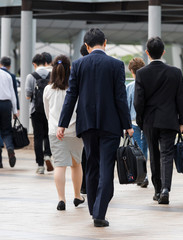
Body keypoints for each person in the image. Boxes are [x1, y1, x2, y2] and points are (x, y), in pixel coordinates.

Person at [57, 28, 133, 227]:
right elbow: (120, 97)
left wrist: (62, 124)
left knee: (91, 164)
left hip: (87, 124)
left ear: (86, 46)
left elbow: (71, 96)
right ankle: (99, 212)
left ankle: (93, 209)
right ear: (105, 42)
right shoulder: (116, 65)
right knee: (107, 166)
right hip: (111, 125)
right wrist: (127, 124)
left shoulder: (78, 64)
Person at [134, 37, 183, 204]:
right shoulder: (175, 72)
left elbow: (138, 101)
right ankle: (165, 188)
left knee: (153, 154)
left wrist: (140, 120)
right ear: (164, 52)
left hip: (149, 120)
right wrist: (181, 121)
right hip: (169, 119)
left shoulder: (142, 73)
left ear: (147, 53)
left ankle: (157, 189)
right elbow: (180, 99)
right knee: (167, 154)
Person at [43, 55, 85, 211]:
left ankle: (61, 199)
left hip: (55, 132)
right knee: (76, 164)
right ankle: (77, 196)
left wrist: (55, 126)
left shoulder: (48, 89)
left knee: (60, 166)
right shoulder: (75, 89)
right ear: (70, 70)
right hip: (74, 131)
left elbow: (47, 113)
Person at [25, 54, 53, 174]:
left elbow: (27, 95)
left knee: (38, 137)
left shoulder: (31, 76)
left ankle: (40, 165)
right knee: (48, 135)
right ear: (46, 63)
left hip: (35, 111)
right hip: (49, 110)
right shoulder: (51, 75)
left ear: (34, 64)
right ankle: (47, 154)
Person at [126, 57, 149, 188]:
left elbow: (126, 106)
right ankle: (144, 175)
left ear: (132, 71)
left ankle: (142, 175)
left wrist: (126, 125)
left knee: (137, 149)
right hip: (147, 122)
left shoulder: (129, 87)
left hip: (133, 123)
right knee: (144, 148)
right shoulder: (148, 85)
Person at [0, 57, 20, 167]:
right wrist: (15, 110)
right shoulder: (7, 75)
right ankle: (10, 149)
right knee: (6, 131)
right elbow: (13, 94)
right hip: (6, 104)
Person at [79, 43, 89, 195]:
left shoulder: (79, 66)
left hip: (84, 119)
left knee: (85, 153)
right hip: (106, 121)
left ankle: (84, 185)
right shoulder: (110, 64)